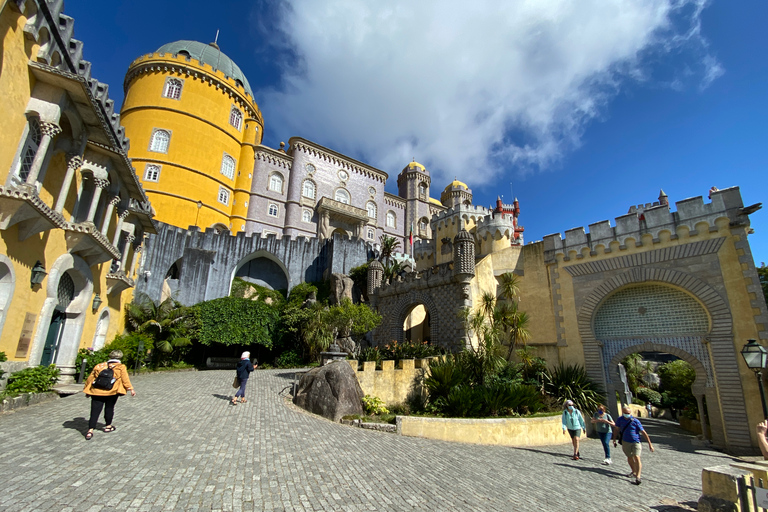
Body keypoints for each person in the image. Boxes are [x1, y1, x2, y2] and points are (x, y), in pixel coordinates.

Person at [82, 350, 136, 440]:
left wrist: (87, 390)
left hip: (97, 391)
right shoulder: (121, 367)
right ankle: (108, 426)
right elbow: (125, 378)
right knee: (109, 408)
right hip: (112, 392)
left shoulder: (100, 365)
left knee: (94, 411)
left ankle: (90, 431)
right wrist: (130, 389)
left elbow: (90, 378)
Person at [613, 405, 655, 485]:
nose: (627, 414)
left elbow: (643, 432)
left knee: (637, 457)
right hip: (626, 441)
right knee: (629, 457)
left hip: (636, 441)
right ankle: (634, 471)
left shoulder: (635, 421)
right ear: (623, 412)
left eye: (628, 413)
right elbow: (616, 429)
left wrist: (650, 444)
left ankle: (638, 476)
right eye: (625, 413)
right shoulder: (620, 420)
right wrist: (614, 439)